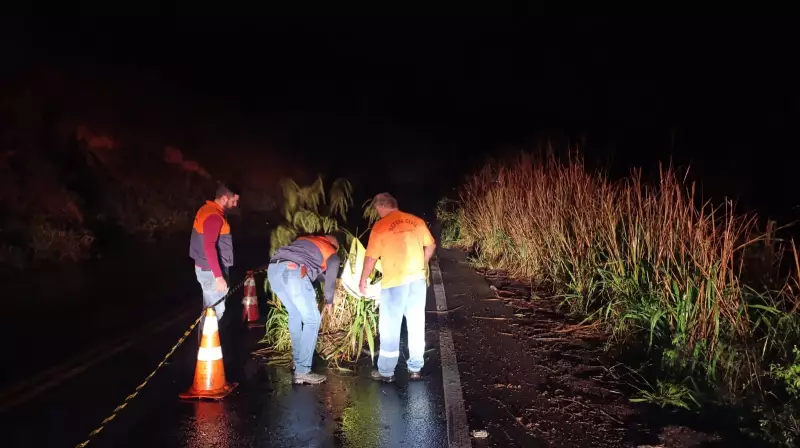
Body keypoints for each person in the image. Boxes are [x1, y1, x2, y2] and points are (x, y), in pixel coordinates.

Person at [360, 193, 436, 382]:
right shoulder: (417, 221)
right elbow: (431, 245)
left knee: (389, 327)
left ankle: (386, 372)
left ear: (380, 207)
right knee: (416, 325)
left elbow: (370, 257)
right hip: (417, 281)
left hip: (394, 283)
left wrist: (363, 280)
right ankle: (415, 369)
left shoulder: (380, 226)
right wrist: (423, 263)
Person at [268, 234, 341, 384]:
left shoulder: (307, 241)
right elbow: (330, 277)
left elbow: (319, 274)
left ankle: (297, 361)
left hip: (273, 270)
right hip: (293, 270)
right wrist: (329, 300)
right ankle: (303, 371)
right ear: (334, 246)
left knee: (294, 314)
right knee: (312, 320)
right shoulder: (331, 252)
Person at [189, 183, 240, 328]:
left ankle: (204, 340)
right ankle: (208, 341)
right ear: (224, 199)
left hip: (205, 267)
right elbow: (209, 247)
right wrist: (218, 276)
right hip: (211, 271)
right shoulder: (214, 217)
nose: (235, 204)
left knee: (208, 310)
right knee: (215, 311)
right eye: (233, 201)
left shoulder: (205, 209)